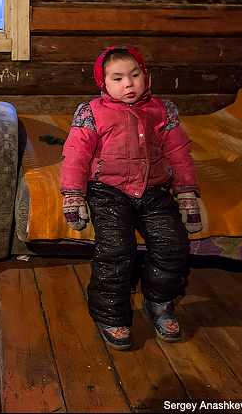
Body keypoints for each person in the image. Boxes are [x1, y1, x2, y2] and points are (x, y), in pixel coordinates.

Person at [59, 45, 202, 350]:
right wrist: (73, 195)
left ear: (145, 75)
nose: (129, 84)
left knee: (173, 245)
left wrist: (187, 193)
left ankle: (160, 301)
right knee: (116, 250)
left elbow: (178, 153)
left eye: (135, 75)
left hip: (153, 189)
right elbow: (76, 154)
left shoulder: (162, 110)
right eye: (118, 78)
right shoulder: (92, 112)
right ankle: (111, 315)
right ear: (104, 84)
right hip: (107, 191)